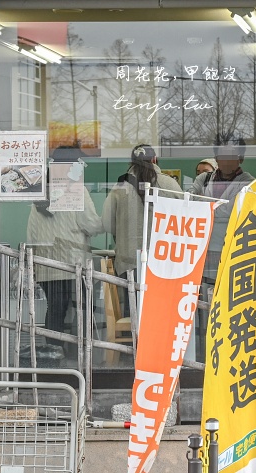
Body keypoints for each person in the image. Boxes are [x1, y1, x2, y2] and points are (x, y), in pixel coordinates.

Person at [25, 146, 103, 349]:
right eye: (79, 164)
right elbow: (91, 224)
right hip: (72, 264)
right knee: (83, 310)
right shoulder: (78, 191)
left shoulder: (40, 195)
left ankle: (53, 351)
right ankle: (80, 353)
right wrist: (107, 223)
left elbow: (31, 234)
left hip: (46, 264)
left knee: (55, 310)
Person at [102, 144, 182, 283]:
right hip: (163, 262)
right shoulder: (170, 184)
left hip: (128, 262)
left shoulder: (120, 186)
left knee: (132, 303)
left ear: (132, 162)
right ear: (155, 159)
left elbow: (107, 224)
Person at [188, 134, 254, 283]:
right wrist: (218, 205)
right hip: (200, 248)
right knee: (202, 293)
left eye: (232, 156)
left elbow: (231, 210)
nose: (227, 161)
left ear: (241, 158)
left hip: (230, 248)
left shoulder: (248, 183)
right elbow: (189, 201)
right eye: (223, 155)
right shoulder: (203, 178)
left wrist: (202, 205)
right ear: (216, 158)